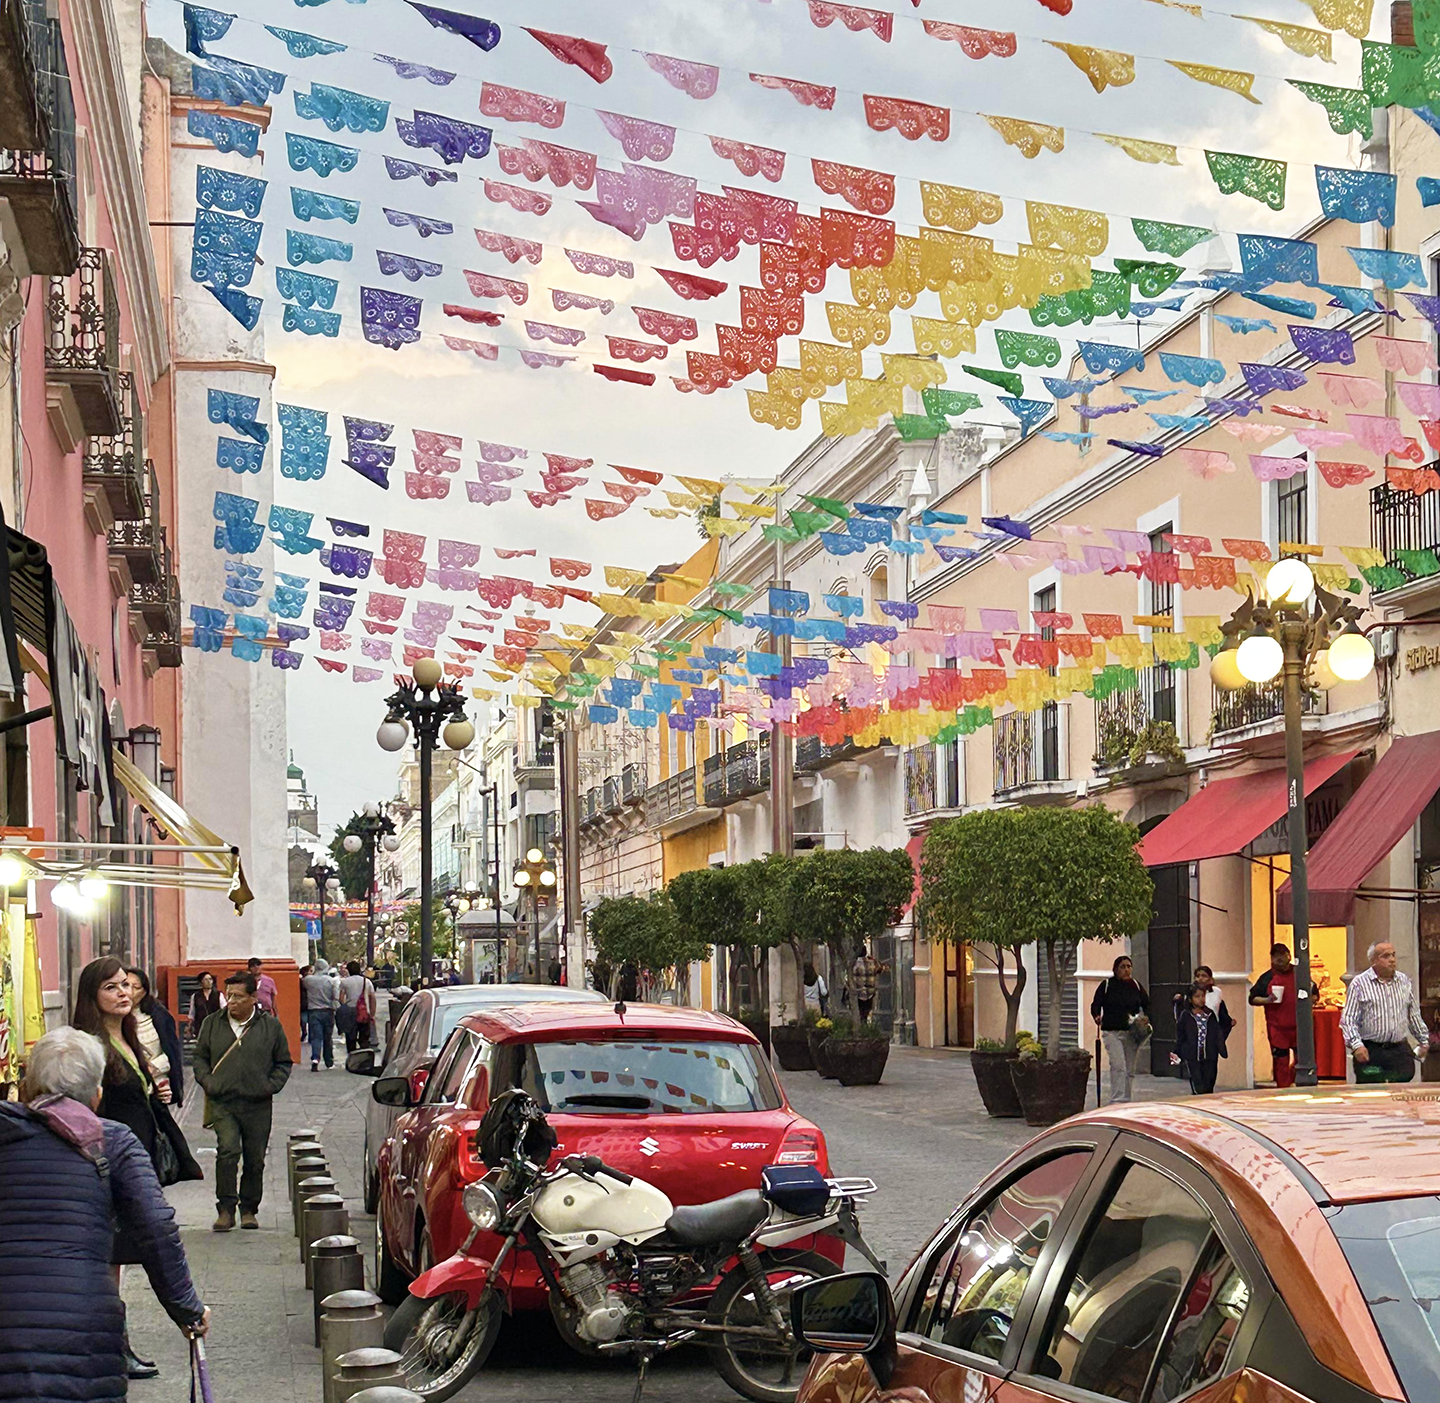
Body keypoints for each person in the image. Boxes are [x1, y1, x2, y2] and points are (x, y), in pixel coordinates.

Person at [0, 1028, 208, 1401]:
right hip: (83, 1322)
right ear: (96, 1096)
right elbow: (156, 1227)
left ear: (29, 1089)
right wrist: (187, 1310)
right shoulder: (112, 1141)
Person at [71, 957, 202, 1185]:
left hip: (141, 1151)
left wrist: (152, 1092)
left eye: (125, 984)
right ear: (92, 996)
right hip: (115, 1160)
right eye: (111, 988)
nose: (124, 993)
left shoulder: (129, 1034)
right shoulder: (87, 1046)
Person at [191, 970, 293, 1231]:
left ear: (252, 997)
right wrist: (208, 1081)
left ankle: (249, 1208)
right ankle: (225, 1208)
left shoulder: (269, 1026)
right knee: (227, 1151)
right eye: (229, 996)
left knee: (255, 1158)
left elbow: (283, 1061)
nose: (232, 1001)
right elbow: (200, 1057)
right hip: (223, 1101)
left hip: (258, 1103)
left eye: (238, 996)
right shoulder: (213, 1023)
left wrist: (270, 1086)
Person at [1340, 941, 1431, 1083]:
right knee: (1373, 1093)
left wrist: (1423, 1040)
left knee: (1401, 1092)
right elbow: (1349, 1019)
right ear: (1374, 960)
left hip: (1398, 1049)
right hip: (1372, 1050)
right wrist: (1357, 1045)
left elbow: (1413, 1014)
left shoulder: (1404, 981)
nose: (1392, 960)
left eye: (1393, 955)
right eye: (1386, 956)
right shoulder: (1359, 984)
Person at [1249, 944, 1317, 1088]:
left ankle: (1301, 1086)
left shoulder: (1301, 973)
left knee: (1303, 1060)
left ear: (1289, 956)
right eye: (1275, 956)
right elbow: (1253, 998)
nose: (1279, 959)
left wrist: (1309, 1000)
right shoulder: (1267, 977)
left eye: (1282, 955)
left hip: (1300, 1027)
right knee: (1281, 1062)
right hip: (1277, 1028)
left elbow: (1315, 994)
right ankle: (1283, 1090)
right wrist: (1267, 1000)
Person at [1090, 955, 1151, 1104]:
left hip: (1131, 1032)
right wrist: (1097, 1016)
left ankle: (1126, 1099)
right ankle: (1117, 1099)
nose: (1126, 970)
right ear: (1116, 969)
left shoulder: (1136, 985)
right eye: (1122, 967)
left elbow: (1147, 1004)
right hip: (1112, 1031)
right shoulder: (1107, 985)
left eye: (1129, 966)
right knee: (1118, 1066)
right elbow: (1095, 1004)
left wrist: (1146, 1018)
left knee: (1129, 1069)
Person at [126, 967, 185, 1108]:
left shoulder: (159, 1016)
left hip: (158, 1086)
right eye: (125, 985)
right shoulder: (116, 1018)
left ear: (144, 991)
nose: (128, 992)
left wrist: (153, 1068)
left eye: (135, 987)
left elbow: (172, 1052)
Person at [1171, 982, 1234, 1095]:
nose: (1201, 999)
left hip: (1210, 1055)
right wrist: (1179, 1052)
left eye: (1203, 996)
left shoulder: (1209, 1014)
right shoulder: (1186, 1015)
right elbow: (1181, 1035)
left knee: (1209, 1081)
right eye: (1197, 996)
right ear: (1190, 999)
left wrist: (1221, 1048)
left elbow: (1217, 1032)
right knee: (1197, 1082)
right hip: (1193, 1056)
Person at [303, 957, 340, 1070]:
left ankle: (315, 1059)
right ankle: (329, 1061)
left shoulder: (308, 980)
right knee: (327, 1037)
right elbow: (335, 997)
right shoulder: (331, 981)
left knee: (316, 1037)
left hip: (313, 1011)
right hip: (328, 1011)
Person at [337, 960, 376, 1053]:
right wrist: (372, 1013)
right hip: (364, 1012)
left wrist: (345, 1007)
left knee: (351, 1038)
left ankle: (352, 1057)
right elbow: (372, 998)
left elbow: (341, 998)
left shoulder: (345, 982)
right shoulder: (367, 981)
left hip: (350, 1012)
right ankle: (363, 1059)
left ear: (349, 970)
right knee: (364, 1038)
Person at [852, 944, 885, 1022]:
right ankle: (865, 1024)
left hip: (858, 992)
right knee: (866, 1013)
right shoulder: (872, 962)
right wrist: (873, 958)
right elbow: (881, 968)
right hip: (870, 992)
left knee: (859, 1014)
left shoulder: (853, 964)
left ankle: (861, 1027)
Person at [189, 970, 222, 1037]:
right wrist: (189, 1026)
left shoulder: (219, 995)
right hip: (201, 1027)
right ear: (201, 982)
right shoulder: (195, 996)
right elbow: (192, 1013)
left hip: (216, 1026)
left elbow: (224, 1010)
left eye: (210, 979)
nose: (209, 981)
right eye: (206, 979)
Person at [298, 962, 312, 1045]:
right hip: (307, 1001)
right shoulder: (306, 981)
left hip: (303, 1001)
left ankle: (304, 1032)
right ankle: (307, 1033)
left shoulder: (300, 981)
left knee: (303, 1019)